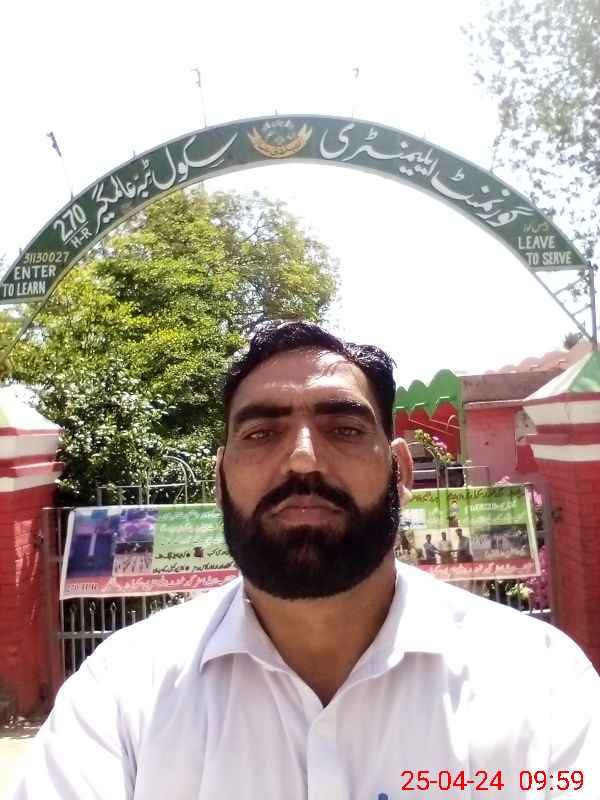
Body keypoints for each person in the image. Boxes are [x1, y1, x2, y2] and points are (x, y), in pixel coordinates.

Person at [11, 321, 600, 800]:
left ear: (400, 472)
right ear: (219, 480)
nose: (302, 460)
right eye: (260, 434)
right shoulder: (121, 695)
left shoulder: (540, 684)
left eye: (343, 429)